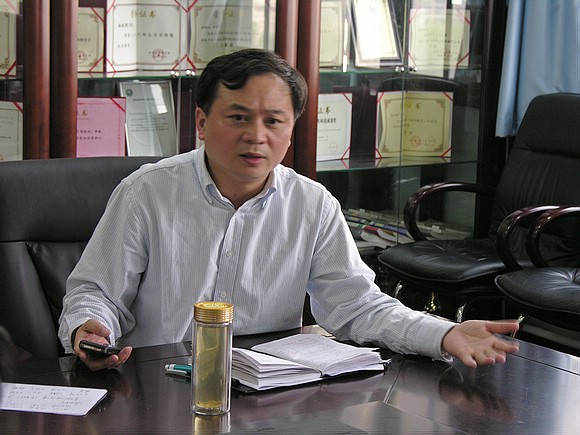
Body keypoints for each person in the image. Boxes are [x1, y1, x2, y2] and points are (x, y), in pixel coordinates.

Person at [58, 49, 519, 371]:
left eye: (273, 121)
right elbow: (96, 292)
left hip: (265, 391)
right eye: (238, 117)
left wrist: (441, 334)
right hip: (155, 384)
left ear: (291, 131)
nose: (256, 136)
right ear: (201, 121)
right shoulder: (146, 193)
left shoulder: (312, 204)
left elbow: (357, 305)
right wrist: (91, 330)